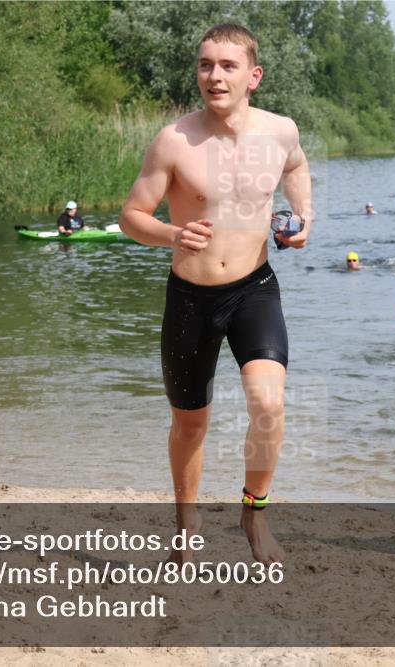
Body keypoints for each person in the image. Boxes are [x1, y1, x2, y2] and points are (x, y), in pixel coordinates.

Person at [119, 23, 312, 565]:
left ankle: (255, 513)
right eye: (206, 64)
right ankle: (186, 517)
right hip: (190, 297)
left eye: (227, 66)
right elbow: (131, 217)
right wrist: (173, 234)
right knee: (190, 422)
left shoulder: (280, 131)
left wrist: (304, 218)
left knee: (269, 404)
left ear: (254, 76)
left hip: (254, 289)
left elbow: (296, 167)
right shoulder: (175, 140)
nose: (214, 76)